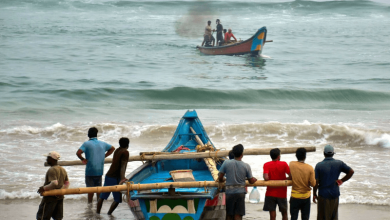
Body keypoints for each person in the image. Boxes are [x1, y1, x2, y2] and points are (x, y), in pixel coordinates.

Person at [313, 145, 354, 220]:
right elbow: (351, 171)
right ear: (333, 154)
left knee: (322, 217)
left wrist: (314, 194)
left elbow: (316, 182)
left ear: (324, 153)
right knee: (334, 217)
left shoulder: (319, 165)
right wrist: (342, 180)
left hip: (323, 195)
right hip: (335, 194)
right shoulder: (339, 163)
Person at [76, 127, 115, 203]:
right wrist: (104, 156)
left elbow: (78, 153)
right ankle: (98, 205)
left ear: (88, 135)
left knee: (90, 190)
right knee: (98, 189)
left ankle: (90, 205)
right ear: (96, 135)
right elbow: (112, 148)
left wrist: (83, 159)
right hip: (99, 170)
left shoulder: (86, 144)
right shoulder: (103, 144)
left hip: (90, 171)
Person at [218, 144, 257, 220]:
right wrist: (254, 179)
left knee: (229, 215)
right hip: (240, 193)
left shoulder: (226, 163)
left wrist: (222, 180)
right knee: (238, 215)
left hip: (229, 192)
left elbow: (220, 177)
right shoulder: (246, 166)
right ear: (242, 155)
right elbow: (251, 181)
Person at [97, 137, 130, 215]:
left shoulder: (117, 150)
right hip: (115, 178)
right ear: (127, 144)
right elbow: (123, 165)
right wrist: (122, 178)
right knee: (118, 199)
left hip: (109, 176)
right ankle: (109, 214)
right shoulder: (125, 152)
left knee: (102, 197)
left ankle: (97, 214)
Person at [37, 152, 70, 220]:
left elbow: (54, 183)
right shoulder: (62, 169)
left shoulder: (52, 170)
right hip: (60, 197)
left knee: (42, 217)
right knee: (58, 217)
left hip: (50, 198)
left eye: (48, 158)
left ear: (52, 159)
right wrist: (61, 191)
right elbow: (67, 183)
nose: (46, 159)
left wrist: (44, 188)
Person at [263, 148, 291, 220]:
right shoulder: (284, 164)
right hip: (282, 193)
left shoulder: (266, 164)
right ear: (279, 156)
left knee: (272, 216)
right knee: (284, 214)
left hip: (270, 192)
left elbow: (266, 177)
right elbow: (291, 176)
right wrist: (285, 179)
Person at [289, 148, 316, 220]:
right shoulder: (310, 168)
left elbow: (290, 175)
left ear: (296, 156)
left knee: (293, 218)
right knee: (305, 218)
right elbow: (313, 184)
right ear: (305, 156)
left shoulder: (291, 164)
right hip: (306, 197)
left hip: (295, 196)